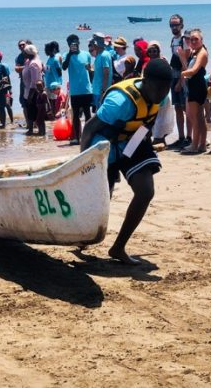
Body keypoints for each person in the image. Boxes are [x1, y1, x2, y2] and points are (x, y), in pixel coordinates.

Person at [80, 58, 173, 265]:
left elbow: (146, 124)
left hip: (134, 140)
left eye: (166, 89)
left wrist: (131, 154)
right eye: (158, 88)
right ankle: (80, 236)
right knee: (103, 198)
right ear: (145, 81)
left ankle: (118, 247)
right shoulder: (120, 102)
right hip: (105, 144)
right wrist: (83, 161)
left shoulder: (162, 97)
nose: (162, 94)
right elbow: (89, 128)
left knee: (146, 191)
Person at [181, 29, 209, 154]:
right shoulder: (194, 52)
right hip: (195, 85)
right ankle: (202, 145)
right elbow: (190, 70)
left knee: (195, 117)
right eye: (191, 39)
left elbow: (193, 71)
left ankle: (194, 145)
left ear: (202, 40)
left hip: (197, 86)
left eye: (196, 39)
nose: (193, 41)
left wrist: (178, 74)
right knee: (199, 117)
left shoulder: (202, 52)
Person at [62, 34, 93, 145]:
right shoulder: (66, 55)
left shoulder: (86, 54)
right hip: (75, 91)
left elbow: (90, 70)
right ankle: (77, 138)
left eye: (74, 42)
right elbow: (64, 67)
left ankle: (89, 137)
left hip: (86, 89)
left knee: (87, 114)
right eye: (70, 43)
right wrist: (70, 54)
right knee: (75, 115)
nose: (72, 45)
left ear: (78, 42)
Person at [168, 14, 190, 148]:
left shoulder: (184, 40)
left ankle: (190, 136)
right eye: (172, 25)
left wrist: (180, 82)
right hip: (174, 74)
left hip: (182, 76)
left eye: (176, 24)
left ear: (182, 25)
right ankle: (181, 136)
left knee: (186, 108)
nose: (174, 27)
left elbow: (185, 62)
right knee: (177, 108)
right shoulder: (173, 40)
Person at [22, 44, 44, 136]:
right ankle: (30, 130)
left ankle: (41, 131)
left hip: (33, 92)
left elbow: (34, 82)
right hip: (27, 91)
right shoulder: (28, 61)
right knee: (30, 112)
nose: (23, 53)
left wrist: (30, 96)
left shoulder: (34, 64)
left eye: (24, 52)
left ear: (29, 53)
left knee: (36, 112)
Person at [91, 32, 113, 109]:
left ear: (96, 44)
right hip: (96, 89)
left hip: (101, 91)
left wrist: (103, 91)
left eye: (93, 43)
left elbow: (106, 73)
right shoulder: (99, 55)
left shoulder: (104, 55)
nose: (92, 45)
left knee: (101, 115)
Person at [44, 41, 63, 120]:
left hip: (54, 84)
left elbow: (59, 72)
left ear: (52, 49)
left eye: (47, 49)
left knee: (54, 101)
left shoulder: (55, 59)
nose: (45, 51)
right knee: (50, 101)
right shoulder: (49, 58)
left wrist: (57, 84)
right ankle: (53, 116)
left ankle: (55, 117)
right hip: (48, 84)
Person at [0, 51, 14, 124]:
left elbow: (7, 78)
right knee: (7, 105)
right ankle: (9, 121)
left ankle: (5, 122)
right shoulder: (5, 65)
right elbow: (8, 78)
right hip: (5, 88)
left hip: (2, 89)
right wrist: (10, 88)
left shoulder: (2, 66)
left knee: (4, 106)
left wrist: (10, 89)